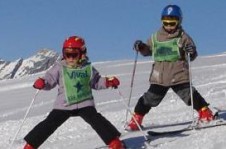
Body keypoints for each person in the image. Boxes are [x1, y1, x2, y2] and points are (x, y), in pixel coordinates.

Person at [23, 36, 125, 149]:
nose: (70, 58)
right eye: (67, 54)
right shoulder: (60, 67)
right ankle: (30, 146)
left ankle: (114, 142)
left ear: (82, 53)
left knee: (97, 120)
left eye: (74, 54)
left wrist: (107, 82)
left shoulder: (88, 68)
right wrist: (42, 83)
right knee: (49, 123)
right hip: (64, 105)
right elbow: (49, 80)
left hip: (84, 103)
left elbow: (96, 82)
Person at [126, 4, 215, 131]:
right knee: (150, 99)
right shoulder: (155, 37)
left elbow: (193, 54)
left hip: (178, 74)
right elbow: (147, 51)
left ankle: (205, 113)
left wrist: (191, 51)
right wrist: (141, 47)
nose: (169, 26)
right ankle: (136, 120)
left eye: (172, 23)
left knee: (190, 95)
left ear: (179, 22)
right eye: (166, 23)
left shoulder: (183, 37)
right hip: (160, 77)